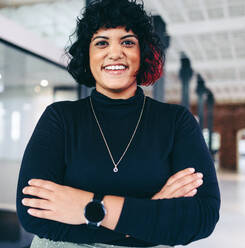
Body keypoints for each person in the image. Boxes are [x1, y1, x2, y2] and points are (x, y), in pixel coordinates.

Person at [16, 0, 220, 247]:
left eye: (127, 42)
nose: (115, 53)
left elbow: (202, 216)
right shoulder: (60, 118)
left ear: (142, 54)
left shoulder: (176, 121)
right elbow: (32, 212)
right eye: (101, 42)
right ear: (87, 54)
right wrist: (148, 215)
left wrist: (88, 208)